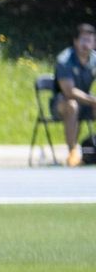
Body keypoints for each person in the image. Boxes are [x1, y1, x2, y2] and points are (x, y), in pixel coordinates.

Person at [54, 23, 96, 167]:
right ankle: (72, 152)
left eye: (90, 40)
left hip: (87, 103)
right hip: (61, 103)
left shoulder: (94, 59)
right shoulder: (65, 60)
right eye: (83, 40)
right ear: (76, 41)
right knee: (72, 105)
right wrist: (92, 100)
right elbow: (69, 92)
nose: (86, 44)